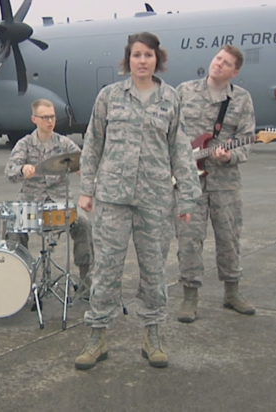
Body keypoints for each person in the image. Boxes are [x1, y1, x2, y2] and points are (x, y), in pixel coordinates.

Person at [75, 32, 201, 370]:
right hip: (113, 198)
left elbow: (180, 151)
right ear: (127, 60)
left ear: (156, 59)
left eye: (147, 55)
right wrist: (87, 189)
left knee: (154, 270)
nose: (141, 61)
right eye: (135, 55)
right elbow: (92, 143)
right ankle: (97, 335)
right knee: (106, 269)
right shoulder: (109, 97)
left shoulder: (170, 99)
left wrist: (187, 198)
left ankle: (152, 335)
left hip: (155, 199)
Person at [166, 45, 256, 324]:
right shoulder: (185, 91)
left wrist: (230, 155)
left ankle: (232, 292)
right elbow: (168, 130)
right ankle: (190, 296)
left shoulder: (241, 99)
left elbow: (248, 138)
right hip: (188, 180)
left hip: (225, 181)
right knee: (189, 239)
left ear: (235, 71)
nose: (218, 64)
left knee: (229, 238)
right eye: (218, 59)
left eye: (226, 63)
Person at [4, 99, 94, 297]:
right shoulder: (25, 144)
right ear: (34, 119)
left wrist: (83, 170)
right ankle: (21, 281)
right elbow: (10, 172)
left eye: (52, 116)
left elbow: (84, 161)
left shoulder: (64, 144)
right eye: (45, 117)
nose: (50, 121)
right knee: (13, 227)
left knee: (84, 224)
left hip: (61, 203)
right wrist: (22, 169)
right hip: (31, 203)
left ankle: (86, 279)